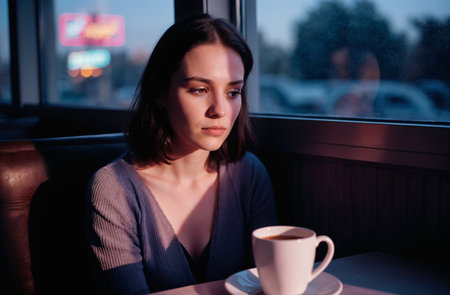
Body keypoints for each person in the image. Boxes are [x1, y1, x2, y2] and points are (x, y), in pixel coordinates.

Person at [85, 14, 277, 294]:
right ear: (159, 93)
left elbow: (269, 284)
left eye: (233, 92)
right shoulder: (114, 189)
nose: (220, 110)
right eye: (200, 89)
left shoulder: (249, 174)